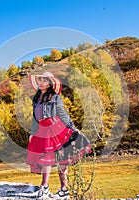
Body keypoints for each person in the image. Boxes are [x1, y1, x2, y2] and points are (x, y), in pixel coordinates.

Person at [26, 71, 92, 199]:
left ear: (50, 84)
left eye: (44, 80)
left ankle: (63, 190)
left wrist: (73, 128)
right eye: (40, 80)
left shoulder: (55, 97)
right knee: (45, 158)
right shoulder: (36, 99)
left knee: (61, 160)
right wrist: (33, 133)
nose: (41, 82)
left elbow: (63, 115)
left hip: (56, 128)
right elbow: (35, 118)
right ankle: (45, 187)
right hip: (42, 130)